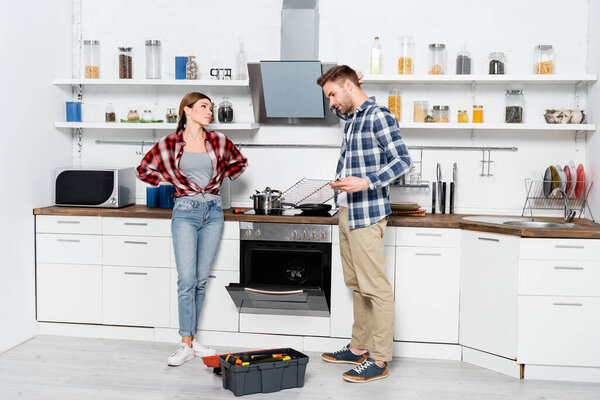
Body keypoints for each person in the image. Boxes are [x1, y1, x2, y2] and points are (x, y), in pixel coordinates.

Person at [136, 92, 248, 366]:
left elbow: (240, 163)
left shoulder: (218, 141)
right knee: (186, 280)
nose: (209, 112)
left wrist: (221, 175)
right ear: (187, 110)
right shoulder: (170, 143)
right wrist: (168, 176)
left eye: (210, 107)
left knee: (199, 281)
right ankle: (185, 343)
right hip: (185, 212)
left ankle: (192, 338)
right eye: (203, 107)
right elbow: (143, 170)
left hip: (213, 212)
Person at [317, 65, 411, 383]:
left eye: (332, 94)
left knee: (376, 289)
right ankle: (360, 348)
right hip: (346, 213)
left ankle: (380, 359)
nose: (331, 102)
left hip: (367, 214)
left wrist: (366, 182)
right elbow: (346, 107)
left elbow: (402, 160)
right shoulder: (354, 117)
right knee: (357, 287)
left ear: (346, 85)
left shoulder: (378, 116)